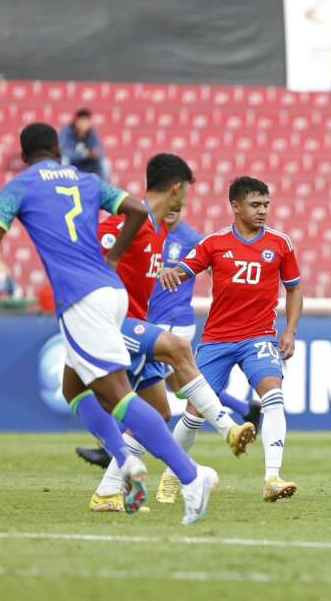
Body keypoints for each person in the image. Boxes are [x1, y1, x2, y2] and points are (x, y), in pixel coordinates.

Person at [0, 123, 216, 524]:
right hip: (110, 291)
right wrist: (116, 258)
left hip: (80, 299)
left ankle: (192, 478)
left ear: (24, 154)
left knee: (118, 397)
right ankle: (126, 463)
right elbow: (139, 210)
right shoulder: (88, 180)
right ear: (58, 149)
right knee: (74, 388)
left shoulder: (19, 186)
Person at [86, 154, 257, 513]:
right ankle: (228, 428)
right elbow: (92, 256)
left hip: (136, 321)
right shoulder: (128, 221)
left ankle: (107, 492)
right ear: (177, 188)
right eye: (186, 192)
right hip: (113, 325)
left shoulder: (161, 229)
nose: (186, 201)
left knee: (159, 411)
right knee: (178, 351)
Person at [75, 208, 263, 472]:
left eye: (177, 209)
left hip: (173, 320)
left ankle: (112, 449)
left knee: (135, 387)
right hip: (153, 319)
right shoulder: (151, 233)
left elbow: (218, 266)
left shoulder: (191, 238)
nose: (171, 213)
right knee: (180, 385)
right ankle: (244, 410)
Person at [159, 177, 304, 502]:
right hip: (218, 339)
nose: (263, 211)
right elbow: (185, 269)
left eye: (266, 204)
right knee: (195, 411)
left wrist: (291, 330)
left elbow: (294, 289)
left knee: (273, 396)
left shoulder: (280, 244)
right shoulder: (215, 243)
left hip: (259, 337)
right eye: (255, 205)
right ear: (235, 207)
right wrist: (171, 272)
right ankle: (171, 473)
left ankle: (272, 478)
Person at [59, 109, 108, 180]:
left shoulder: (92, 133)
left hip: (88, 165)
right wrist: (85, 155)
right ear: (76, 121)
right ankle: (63, 185)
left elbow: (100, 151)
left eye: (87, 121)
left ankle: (102, 188)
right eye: (82, 120)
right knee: (64, 160)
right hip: (72, 165)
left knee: (105, 163)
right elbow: (63, 152)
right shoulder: (66, 132)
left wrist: (95, 154)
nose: (84, 124)